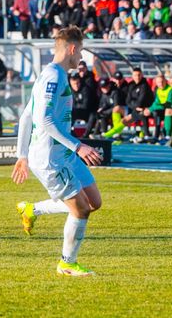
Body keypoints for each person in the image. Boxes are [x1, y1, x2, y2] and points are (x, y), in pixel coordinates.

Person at [12, 26, 103, 277]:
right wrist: (79, 146)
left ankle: (32, 210)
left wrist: (22, 155)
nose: (81, 57)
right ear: (72, 49)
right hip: (51, 158)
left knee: (93, 202)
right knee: (80, 209)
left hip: (64, 153)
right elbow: (43, 120)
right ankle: (67, 263)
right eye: (81, 51)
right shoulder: (53, 77)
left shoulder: (52, 73)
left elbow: (26, 116)